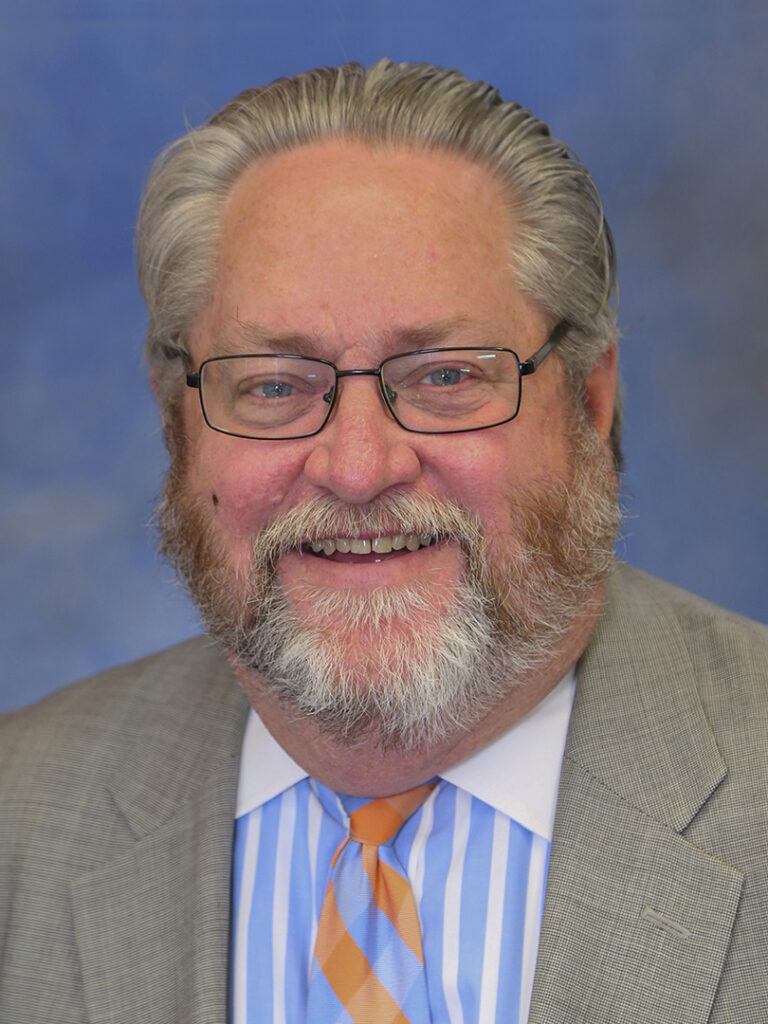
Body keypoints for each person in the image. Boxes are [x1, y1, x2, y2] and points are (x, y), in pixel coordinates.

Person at [1, 59, 766, 1024]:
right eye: (274, 385)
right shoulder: (19, 817)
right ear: (175, 419)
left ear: (591, 400)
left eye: (446, 376)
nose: (358, 468)